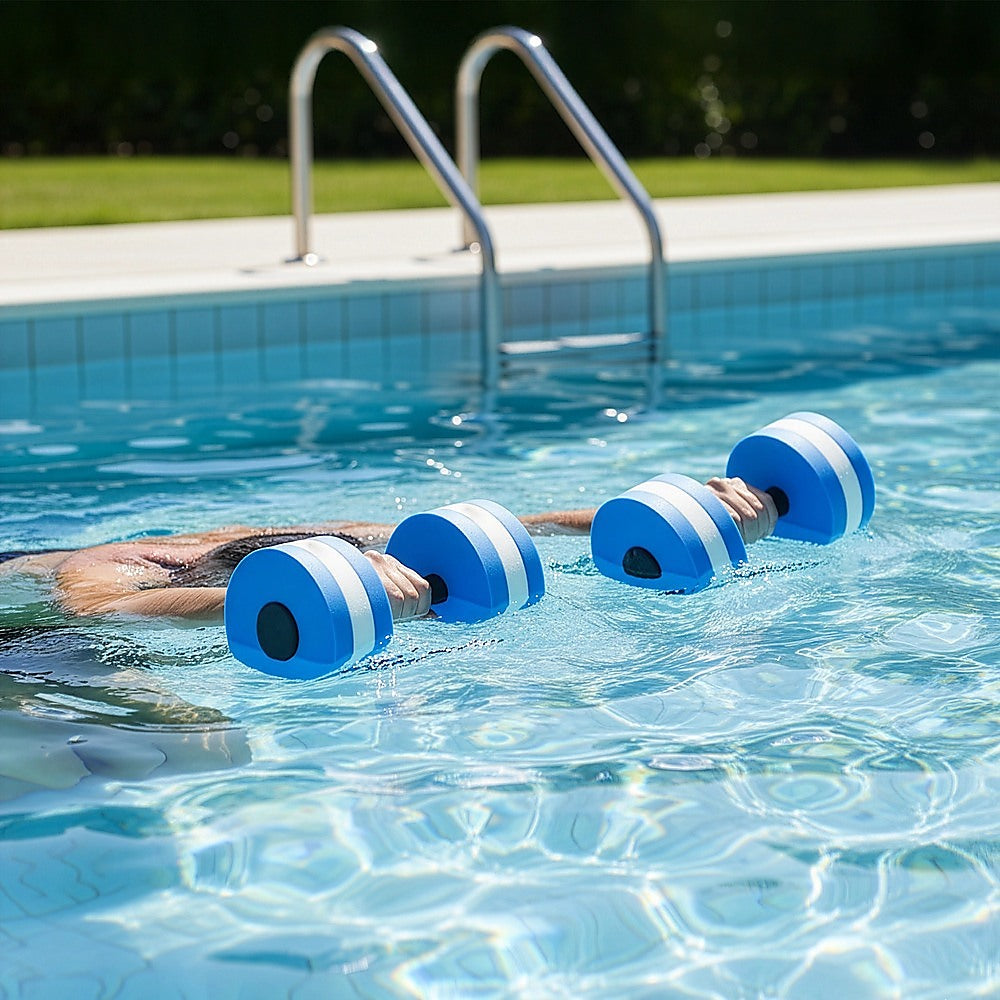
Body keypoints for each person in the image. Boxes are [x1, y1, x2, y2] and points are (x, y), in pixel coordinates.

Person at [0, 477, 775, 622]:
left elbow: (523, 525)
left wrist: (685, 511)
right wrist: (327, 587)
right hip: (31, 638)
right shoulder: (115, 564)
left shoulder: (340, 534)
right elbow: (103, 613)